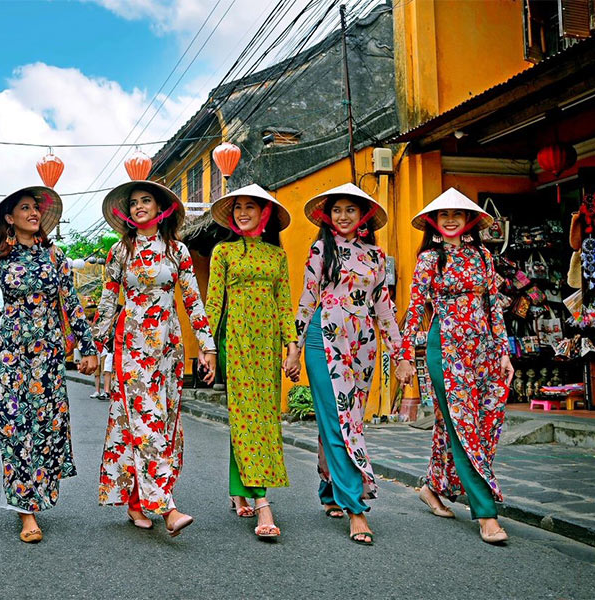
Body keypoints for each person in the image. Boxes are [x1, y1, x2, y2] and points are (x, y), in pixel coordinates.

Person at [0, 185, 97, 543]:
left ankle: (39, 493)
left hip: (49, 357)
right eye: (25, 208)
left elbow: (73, 304)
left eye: (36, 208)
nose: (33, 213)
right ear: (9, 217)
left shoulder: (56, 257)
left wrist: (88, 347)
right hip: (11, 354)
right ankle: (26, 512)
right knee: (16, 428)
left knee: (47, 428)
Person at [94, 179, 216, 537]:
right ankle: (168, 508)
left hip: (168, 346)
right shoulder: (121, 252)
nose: (138, 207)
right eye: (133, 203)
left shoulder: (177, 252)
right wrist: (94, 346)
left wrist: (206, 346)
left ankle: (136, 502)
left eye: (145, 201)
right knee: (147, 422)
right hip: (131, 345)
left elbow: (193, 301)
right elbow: (106, 300)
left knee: (160, 422)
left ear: (161, 209)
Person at [394, 188, 514, 545]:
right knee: (464, 427)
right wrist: (404, 356)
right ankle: (486, 514)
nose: (449, 219)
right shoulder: (430, 260)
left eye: (457, 214)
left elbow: (495, 309)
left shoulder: (483, 257)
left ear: (468, 221)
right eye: (443, 214)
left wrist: (504, 352)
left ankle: (432, 487)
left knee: (478, 425)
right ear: (434, 221)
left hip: (484, 351)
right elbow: (415, 309)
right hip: (444, 350)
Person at [291, 183, 402, 546]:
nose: (342, 216)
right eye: (336, 210)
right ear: (328, 215)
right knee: (341, 420)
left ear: (362, 216)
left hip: (363, 347)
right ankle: (355, 508)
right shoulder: (321, 249)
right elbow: (307, 300)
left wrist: (400, 354)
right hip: (322, 339)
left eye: (350, 210)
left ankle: (328, 490)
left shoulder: (376, 257)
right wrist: (293, 348)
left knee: (342, 418)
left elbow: (384, 309)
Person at [204, 184, 298, 539]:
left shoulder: (277, 255)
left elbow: (284, 301)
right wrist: (208, 346)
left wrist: (291, 345)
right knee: (247, 414)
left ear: (265, 214)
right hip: (237, 341)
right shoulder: (223, 252)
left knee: (259, 416)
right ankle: (262, 502)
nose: (242, 212)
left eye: (250, 207)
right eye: (237, 207)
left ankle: (237, 486)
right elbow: (214, 302)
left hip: (268, 344)